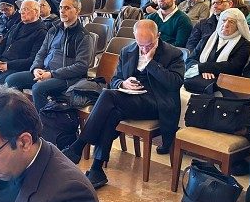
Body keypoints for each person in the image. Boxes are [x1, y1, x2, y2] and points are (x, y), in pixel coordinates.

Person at [63, 19, 185, 187]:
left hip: (157, 102)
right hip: (130, 98)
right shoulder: (128, 50)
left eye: (148, 45)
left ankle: (78, 146)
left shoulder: (173, 54)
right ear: (134, 37)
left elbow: (175, 83)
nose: (144, 49)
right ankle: (97, 169)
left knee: (107, 96)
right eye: (140, 44)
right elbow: (114, 80)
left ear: (158, 36)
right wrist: (123, 84)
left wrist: (151, 63)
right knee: (112, 112)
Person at [5, 0, 92, 110]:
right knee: (11, 80)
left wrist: (52, 74)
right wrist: (36, 68)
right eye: (61, 7)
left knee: (38, 89)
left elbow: (81, 67)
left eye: (67, 8)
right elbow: (41, 53)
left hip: (67, 78)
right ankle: (20, 117)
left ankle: (44, 124)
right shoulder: (53, 30)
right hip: (44, 72)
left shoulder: (83, 36)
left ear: (77, 11)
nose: (62, 11)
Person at [0, 0, 47, 96]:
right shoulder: (16, 26)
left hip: (17, 67)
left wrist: (8, 65)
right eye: (21, 9)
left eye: (26, 9)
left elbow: (33, 60)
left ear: (36, 12)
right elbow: (2, 44)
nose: (22, 12)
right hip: (1, 63)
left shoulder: (41, 32)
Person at [184, 8, 250, 95]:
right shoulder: (208, 38)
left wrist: (203, 67)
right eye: (224, 20)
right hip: (199, 77)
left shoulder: (244, 44)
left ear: (239, 25)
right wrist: (202, 69)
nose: (226, 24)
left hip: (225, 84)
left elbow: (233, 67)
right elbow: (191, 59)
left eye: (231, 22)